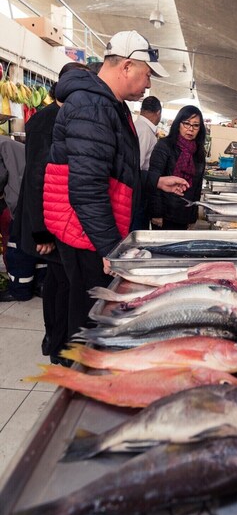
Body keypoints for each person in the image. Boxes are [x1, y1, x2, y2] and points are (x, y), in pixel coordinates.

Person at [43, 30, 189, 340]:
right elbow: (86, 188)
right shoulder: (92, 107)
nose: (148, 84)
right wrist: (111, 249)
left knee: (88, 309)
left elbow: (114, 170)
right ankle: (79, 377)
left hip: (89, 228)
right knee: (88, 315)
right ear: (125, 66)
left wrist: (156, 181)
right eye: (146, 74)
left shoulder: (109, 104)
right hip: (85, 230)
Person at [12, 62, 92, 363]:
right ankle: (58, 345)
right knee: (61, 285)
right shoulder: (50, 121)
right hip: (47, 222)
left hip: (53, 218)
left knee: (58, 282)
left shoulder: (59, 116)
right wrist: (42, 232)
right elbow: (36, 178)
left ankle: (55, 342)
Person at [0, 136, 48, 302]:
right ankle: (41, 284)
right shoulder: (8, 142)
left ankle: (19, 290)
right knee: (37, 243)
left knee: (17, 247)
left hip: (20, 199)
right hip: (37, 195)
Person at [147, 105, 206, 230]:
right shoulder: (165, 146)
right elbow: (154, 179)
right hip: (164, 213)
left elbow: (197, 187)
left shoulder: (199, 153)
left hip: (185, 213)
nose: (190, 129)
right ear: (178, 124)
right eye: (186, 123)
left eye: (196, 125)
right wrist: (156, 213)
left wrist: (193, 217)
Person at [131, 95, 162, 230]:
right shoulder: (144, 131)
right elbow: (137, 166)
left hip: (140, 188)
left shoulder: (139, 126)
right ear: (158, 113)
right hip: (139, 190)